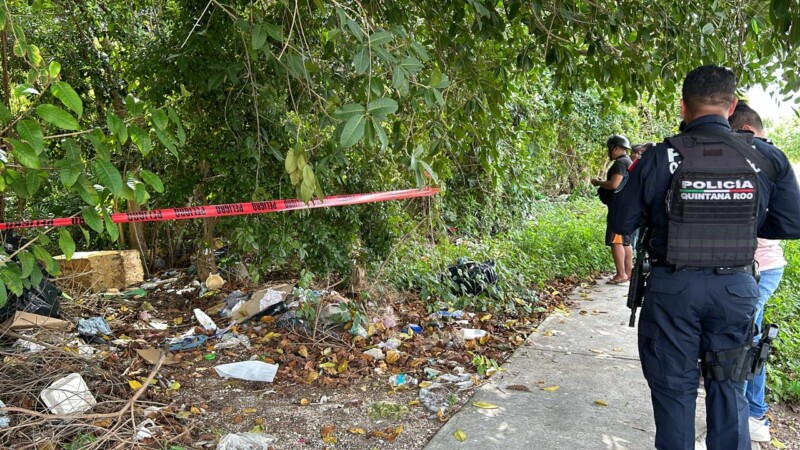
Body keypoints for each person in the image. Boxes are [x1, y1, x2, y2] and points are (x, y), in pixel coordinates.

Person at [609, 65, 800, 450]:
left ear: (683, 107)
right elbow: (791, 223)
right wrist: (738, 220)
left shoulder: (659, 157)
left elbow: (622, 219)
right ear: (731, 108)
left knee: (673, 390)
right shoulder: (765, 157)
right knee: (729, 388)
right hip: (735, 289)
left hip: (672, 289)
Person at [728, 101, 786, 443]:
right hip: (746, 268)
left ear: (746, 132)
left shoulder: (766, 163)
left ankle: (753, 415)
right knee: (746, 337)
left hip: (761, 268)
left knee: (747, 340)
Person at [591, 135, 633, 284]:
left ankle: (621, 274)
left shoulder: (620, 163)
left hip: (619, 209)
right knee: (625, 241)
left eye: (609, 148)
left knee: (616, 241)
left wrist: (599, 183)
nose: (609, 152)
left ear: (615, 147)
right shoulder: (628, 161)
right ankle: (628, 272)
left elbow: (614, 184)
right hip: (626, 208)